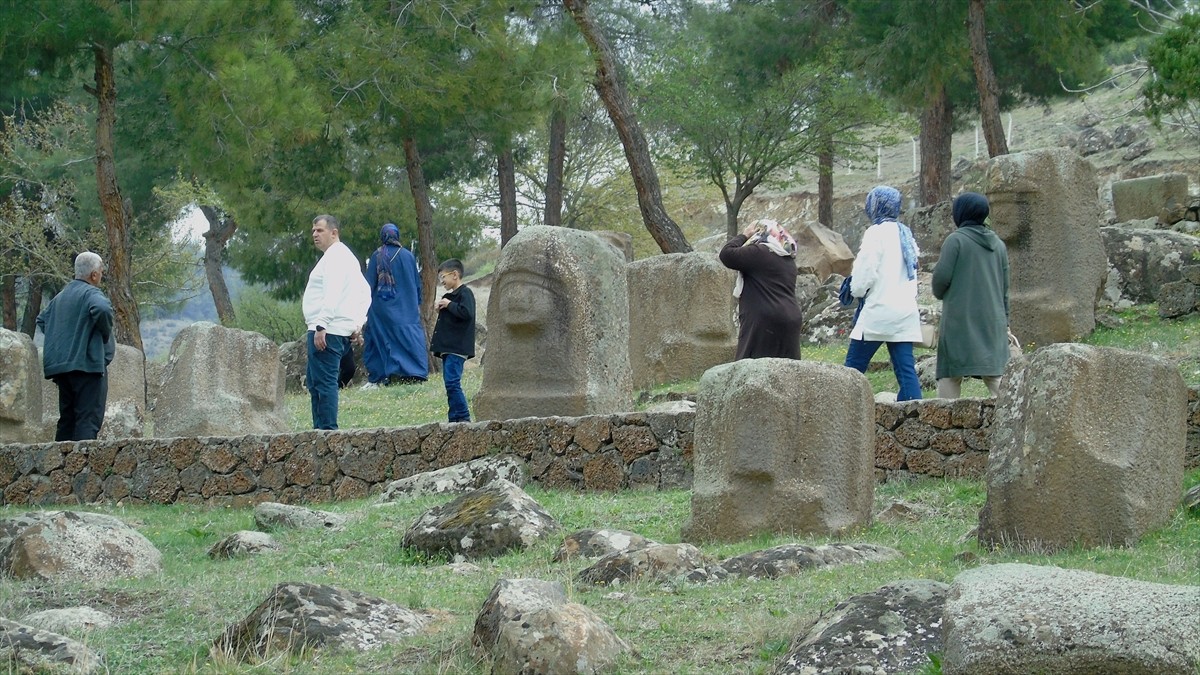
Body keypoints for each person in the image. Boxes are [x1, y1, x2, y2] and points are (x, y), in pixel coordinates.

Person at [843, 185, 923, 401]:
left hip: (877, 313)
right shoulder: (906, 234)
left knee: (852, 371)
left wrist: (854, 290)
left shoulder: (875, 233)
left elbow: (864, 274)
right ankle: (915, 413)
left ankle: (844, 410)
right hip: (904, 313)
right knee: (906, 372)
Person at [932, 192, 1011, 398]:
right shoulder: (999, 245)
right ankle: (1011, 413)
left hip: (960, 321)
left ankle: (946, 417)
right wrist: (1005, 321)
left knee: (950, 375)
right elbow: (1005, 289)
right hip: (993, 321)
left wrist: (941, 292)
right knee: (995, 374)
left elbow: (940, 281)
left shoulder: (955, 241)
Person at [37, 251, 116, 441]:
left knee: (67, 420)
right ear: (94, 275)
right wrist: (105, 334)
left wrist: (63, 340)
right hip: (87, 367)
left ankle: (61, 459)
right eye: (101, 272)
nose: (101, 276)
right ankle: (83, 460)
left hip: (62, 368)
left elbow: (42, 320)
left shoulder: (60, 297)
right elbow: (102, 309)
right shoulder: (91, 293)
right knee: (87, 420)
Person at [303, 214, 371, 430]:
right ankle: (320, 431)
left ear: (334, 232)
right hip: (338, 328)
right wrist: (357, 323)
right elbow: (364, 292)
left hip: (327, 329)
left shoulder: (335, 256)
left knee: (323, 383)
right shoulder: (347, 257)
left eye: (320, 230)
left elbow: (332, 292)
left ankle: (326, 432)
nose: (315, 234)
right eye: (313, 231)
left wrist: (321, 324)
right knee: (316, 383)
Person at [718, 218, 804, 360]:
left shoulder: (760, 252)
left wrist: (744, 235)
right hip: (791, 319)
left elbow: (726, 254)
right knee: (785, 369)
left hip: (764, 320)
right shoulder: (788, 260)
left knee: (750, 367)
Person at [362, 223, 428, 387]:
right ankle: (415, 372)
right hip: (407, 307)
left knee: (378, 340)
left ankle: (380, 376)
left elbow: (368, 285)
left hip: (382, 308)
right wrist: (417, 302)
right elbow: (416, 283)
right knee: (410, 337)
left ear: (382, 236)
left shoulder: (377, 255)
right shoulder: (408, 256)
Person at [428, 259, 476, 423]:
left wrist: (449, 305)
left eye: (443, 277)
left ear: (455, 275)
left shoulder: (465, 293)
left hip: (457, 347)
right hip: (448, 348)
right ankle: (454, 418)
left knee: (452, 382)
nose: (441, 281)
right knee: (449, 383)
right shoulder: (449, 297)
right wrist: (442, 309)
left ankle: (462, 416)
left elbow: (467, 313)